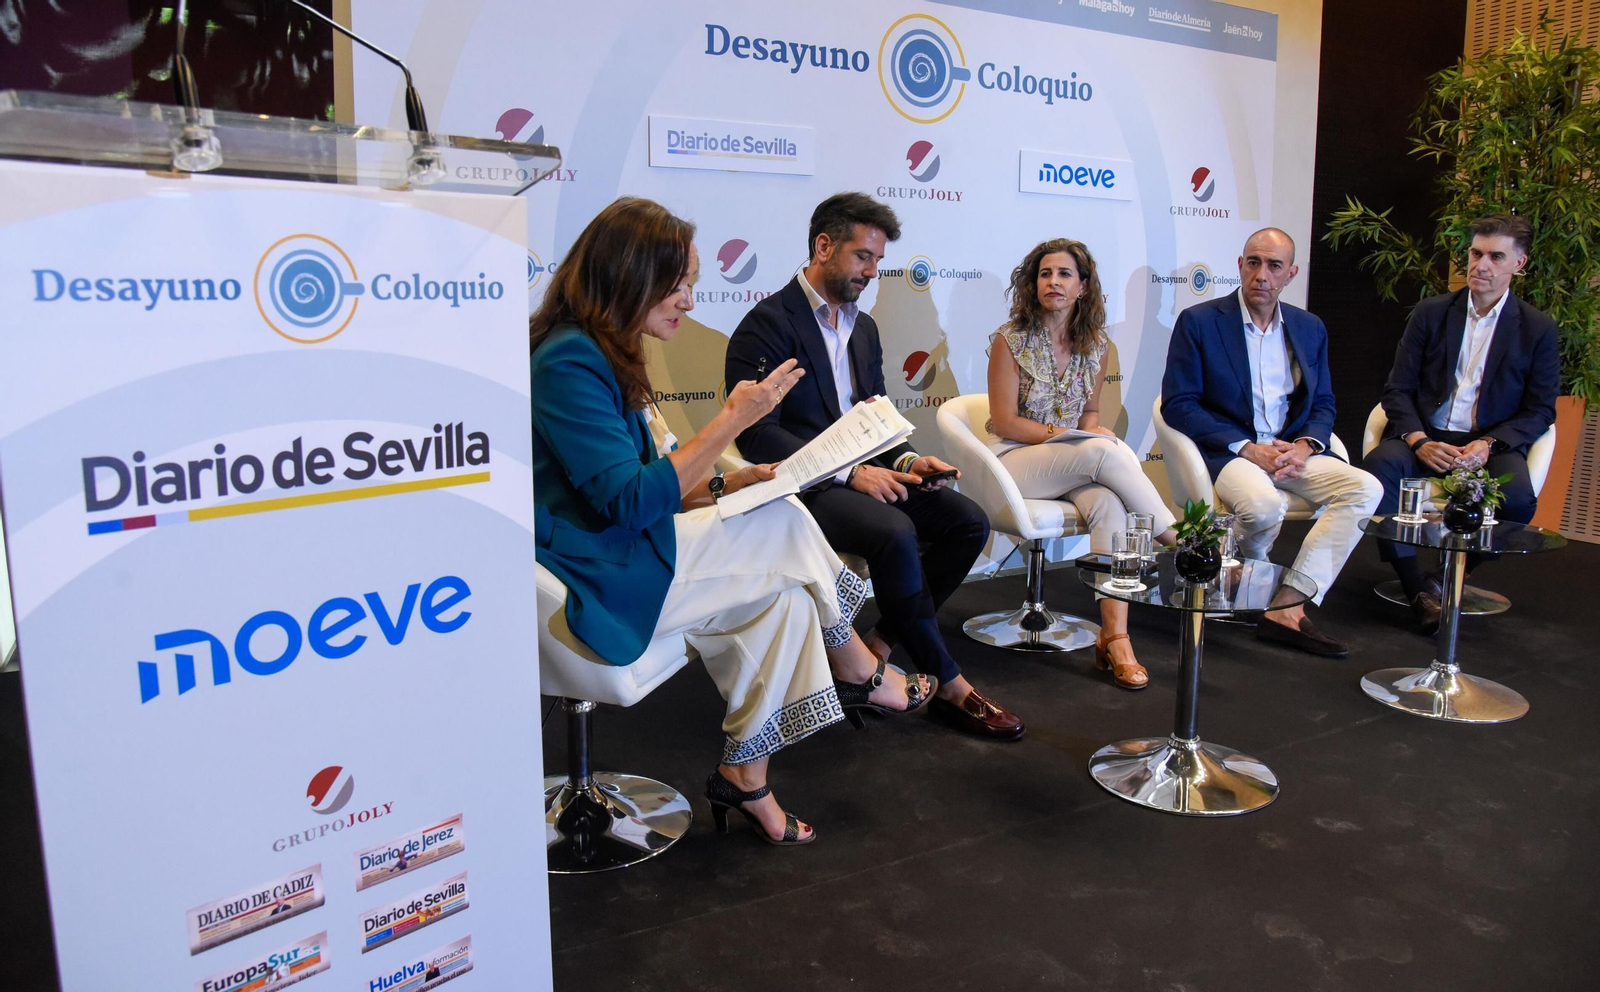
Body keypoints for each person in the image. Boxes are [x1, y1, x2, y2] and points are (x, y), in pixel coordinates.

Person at [530, 197, 933, 847]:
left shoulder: (604, 350)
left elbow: (651, 481)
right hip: (593, 572)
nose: (690, 300)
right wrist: (732, 423)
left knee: (787, 601)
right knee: (783, 524)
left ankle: (746, 775)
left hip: (629, 544)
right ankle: (859, 666)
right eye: (680, 283)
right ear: (631, 275)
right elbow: (630, 503)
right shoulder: (568, 361)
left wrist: (725, 481)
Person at [726, 192, 1024, 741]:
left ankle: (877, 648)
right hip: (800, 485)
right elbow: (755, 433)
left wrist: (909, 460)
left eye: (878, 261)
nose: (872, 271)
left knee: (967, 521)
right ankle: (950, 683)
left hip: (866, 476)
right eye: (864, 257)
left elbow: (876, 422)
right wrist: (846, 474)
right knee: (895, 532)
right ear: (823, 246)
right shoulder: (765, 324)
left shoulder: (864, 330)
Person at [1161, 227, 1381, 657]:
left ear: (1290, 273)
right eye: (1253, 263)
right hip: (1232, 450)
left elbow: (1323, 402)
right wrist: (1246, 448)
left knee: (1366, 488)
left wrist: (1305, 446)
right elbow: (1178, 404)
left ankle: (1287, 603)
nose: (1262, 274)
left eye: (1274, 266)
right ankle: (1244, 577)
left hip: (1289, 451)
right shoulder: (1202, 322)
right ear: (1240, 266)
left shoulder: (1309, 327)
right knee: (1262, 505)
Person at [986, 238, 1178, 689]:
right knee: (1098, 451)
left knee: (1109, 503)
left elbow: (1090, 413)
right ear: (1033, 285)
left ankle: (1115, 638)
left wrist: (1092, 430)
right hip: (1014, 462)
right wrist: (1076, 438)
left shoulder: (1096, 345)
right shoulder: (1009, 340)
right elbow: (1004, 421)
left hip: (1071, 463)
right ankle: (1174, 535)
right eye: (1045, 274)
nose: (1053, 282)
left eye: (1064, 274)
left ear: (1084, 287)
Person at [1364, 213, 1560, 634]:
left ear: (1518, 265)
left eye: (1495, 256)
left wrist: (1489, 444)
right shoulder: (1431, 313)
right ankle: (1416, 586)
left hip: (1488, 445)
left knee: (1520, 502)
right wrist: (1418, 441)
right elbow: (1396, 390)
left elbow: (1541, 410)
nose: (1481, 265)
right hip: (1427, 436)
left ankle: (1451, 576)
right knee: (1378, 472)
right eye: (1475, 253)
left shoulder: (1537, 329)